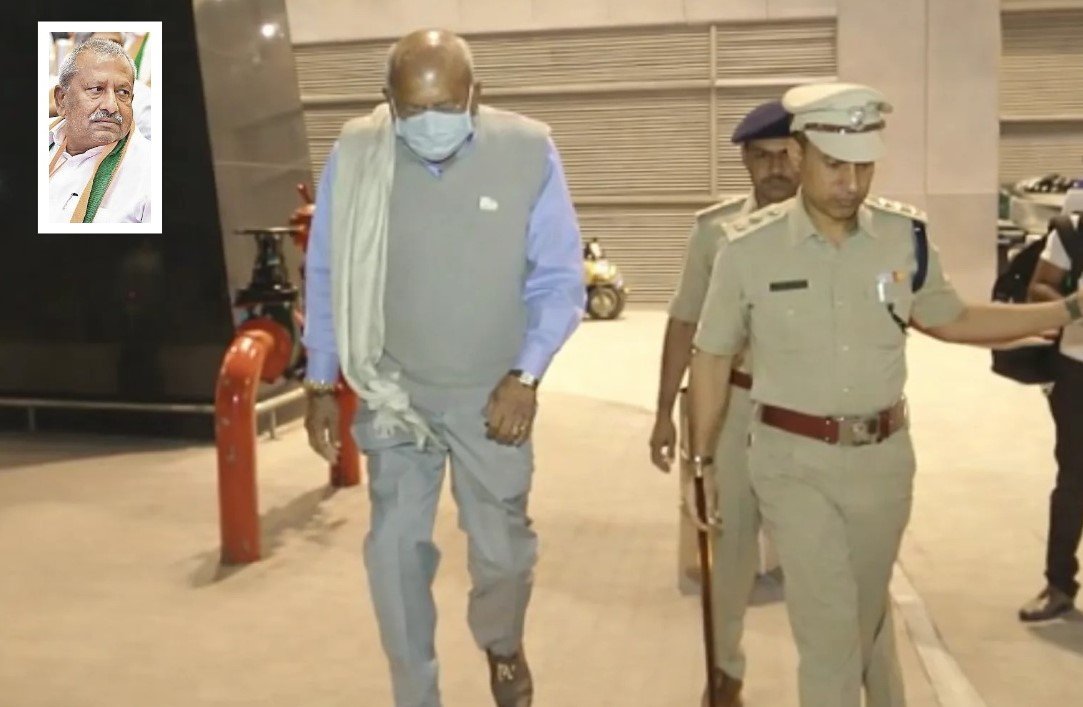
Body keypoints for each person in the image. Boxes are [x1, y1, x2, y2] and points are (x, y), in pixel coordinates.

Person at [687, 82, 1083, 707]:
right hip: (792, 463)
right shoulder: (747, 249)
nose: (851, 184)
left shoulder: (905, 237)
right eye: (835, 166)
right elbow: (710, 354)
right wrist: (704, 461)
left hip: (883, 464)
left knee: (862, 619)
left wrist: (1068, 308)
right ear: (799, 155)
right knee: (829, 639)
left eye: (864, 167)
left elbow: (951, 318)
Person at [300, 29, 584, 707]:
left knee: (502, 553)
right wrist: (320, 377)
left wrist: (527, 375)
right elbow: (327, 270)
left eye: (447, 106)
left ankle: (502, 641)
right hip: (394, 388)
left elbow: (558, 280)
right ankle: (415, 693)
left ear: (475, 95)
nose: (430, 122)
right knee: (392, 554)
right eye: (413, 109)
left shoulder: (528, 151)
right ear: (388, 101)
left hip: (493, 395)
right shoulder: (358, 155)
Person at [649, 99, 797, 707]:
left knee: (818, 554)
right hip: (735, 404)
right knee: (727, 549)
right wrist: (664, 412)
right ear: (745, 164)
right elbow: (684, 321)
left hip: (810, 412)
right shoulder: (715, 232)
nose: (775, 169)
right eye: (762, 158)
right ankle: (724, 675)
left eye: (785, 155)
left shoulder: (833, 228)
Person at [1021, 188, 1083, 621]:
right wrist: (1073, 307)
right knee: (1075, 478)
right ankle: (1058, 584)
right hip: (1078, 368)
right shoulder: (1072, 232)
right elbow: (1039, 286)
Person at [48, 38, 152, 224]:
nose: (112, 107)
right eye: (97, 89)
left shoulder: (152, 170)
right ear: (62, 99)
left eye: (123, 92)